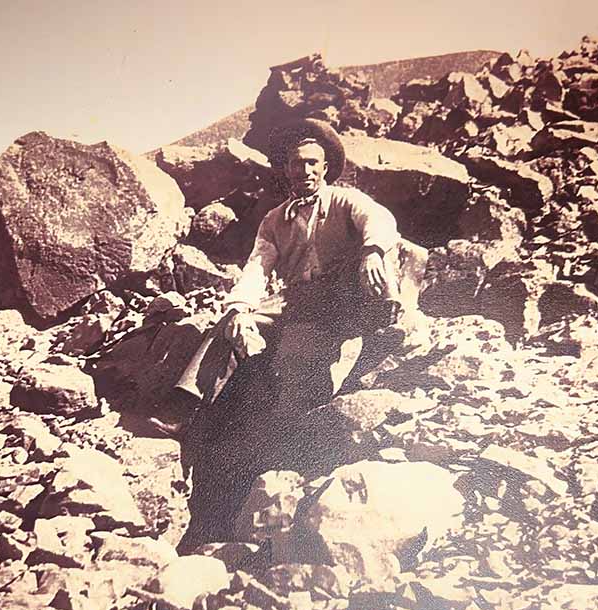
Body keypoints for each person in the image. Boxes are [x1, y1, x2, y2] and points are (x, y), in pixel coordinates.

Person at [150, 118, 421, 439]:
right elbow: (257, 267)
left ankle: (387, 322)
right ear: (287, 169)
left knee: (381, 252)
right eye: (297, 164)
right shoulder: (274, 220)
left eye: (312, 163)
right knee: (231, 321)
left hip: (349, 291)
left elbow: (379, 218)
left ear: (325, 168)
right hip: (301, 299)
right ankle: (185, 408)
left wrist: (372, 251)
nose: (304, 170)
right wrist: (239, 308)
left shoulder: (346, 200)